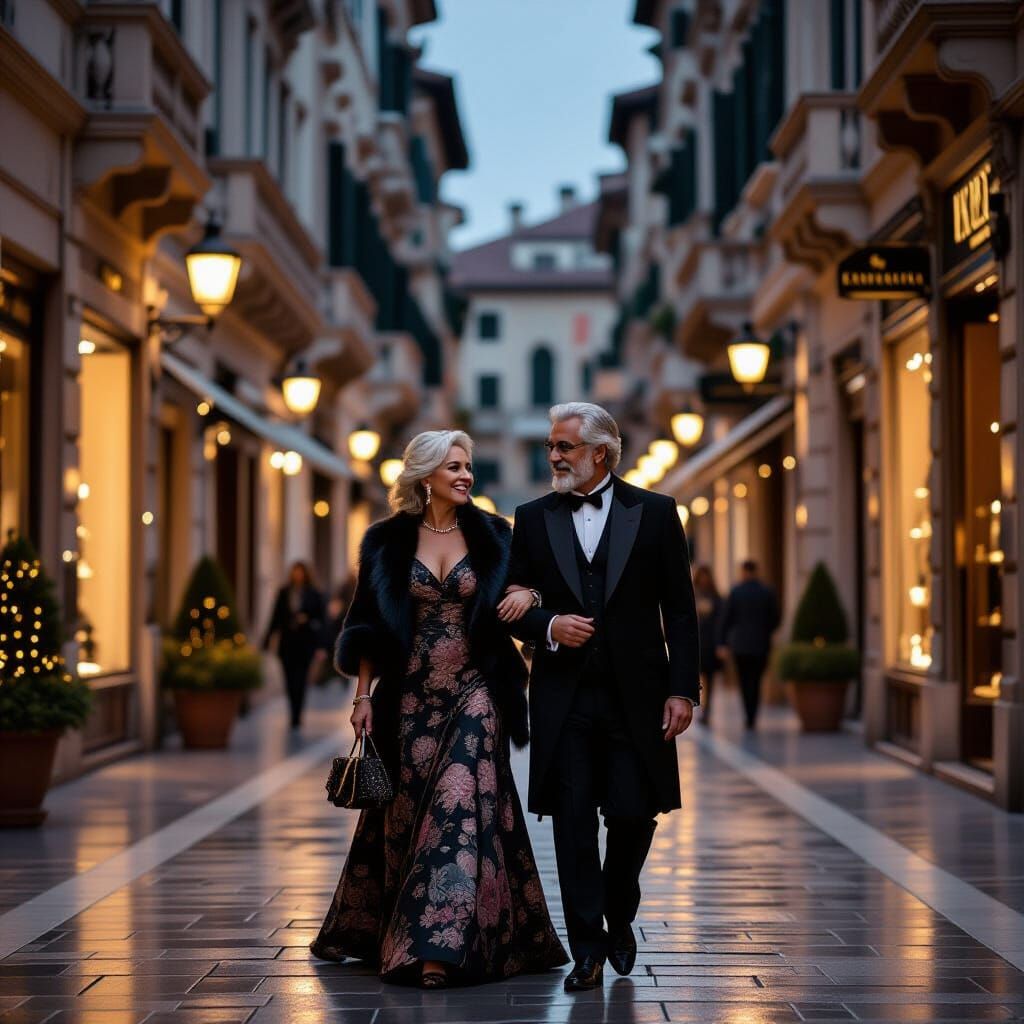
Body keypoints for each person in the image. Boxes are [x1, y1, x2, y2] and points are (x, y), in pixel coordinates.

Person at [310, 430, 567, 988]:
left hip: (479, 688)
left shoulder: (498, 535)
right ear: (425, 476)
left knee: (459, 802)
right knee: (408, 814)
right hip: (409, 697)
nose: (466, 475)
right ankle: (405, 928)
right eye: (454, 466)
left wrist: (534, 597)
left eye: (469, 465)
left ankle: (436, 948)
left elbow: (542, 587)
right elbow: (367, 625)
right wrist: (362, 696)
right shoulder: (384, 542)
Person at [501, 402, 700, 993]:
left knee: (635, 814)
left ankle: (620, 909)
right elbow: (512, 605)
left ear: (601, 455)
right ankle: (586, 948)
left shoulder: (658, 513)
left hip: (638, 697)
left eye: (564, 447)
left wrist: (682, 690)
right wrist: (548, 626)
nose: (554, 456)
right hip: (565, 698)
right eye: (551, 447)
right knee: (572, 824)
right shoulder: (532, 518)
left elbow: (682, 612)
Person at [716, 559, 780, 730]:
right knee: (756, 680)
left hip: (740, 645)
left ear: (743, 571)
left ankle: (748, 715)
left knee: (744, 681)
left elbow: (726, 619)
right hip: (760, 644)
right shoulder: (767, 592)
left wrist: (722, 642)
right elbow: (775, 619)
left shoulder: (736, 592)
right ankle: (753, 714)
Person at [262, 561, 325, 729]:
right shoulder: (284, 593)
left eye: (300, 572)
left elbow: (322, 620)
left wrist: (321, 645)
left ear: (305, 574)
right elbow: (274, 618)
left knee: (301, 679)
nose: (297, 575)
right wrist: (267, 640)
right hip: (287, 643)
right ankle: (293, 711)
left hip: (305, 644)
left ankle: (298, 714)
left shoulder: (314, 593)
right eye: (295, 572)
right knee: (289, 680)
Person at [693, 565, 723, 725]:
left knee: (709, 679)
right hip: (696, 643)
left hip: (710, 644)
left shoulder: (716, 597)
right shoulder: (692, 595)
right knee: (698, 679)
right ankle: (699, 706)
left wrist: (720, 643)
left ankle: (707, 710)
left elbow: (721, 621)